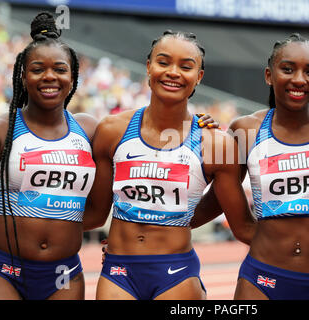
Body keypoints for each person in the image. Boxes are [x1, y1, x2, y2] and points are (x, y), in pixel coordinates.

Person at [82, 30, 256, 300]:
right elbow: (95, 213)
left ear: (198, 76)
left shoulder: (216, 144)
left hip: (176, 275)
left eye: (186, 67)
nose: (173, 72)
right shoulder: (111, 131)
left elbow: (243, 227)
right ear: (149, 66)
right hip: (119, 272)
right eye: (163, 62)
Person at [193, 33, 309, 300]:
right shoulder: (245, 129)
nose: (298, 79)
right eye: (287, 69)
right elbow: (218, 198)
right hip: (260, 279)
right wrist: (158, 227)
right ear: (269, 76)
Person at [0, 12, 99, 300]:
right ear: (22, 77)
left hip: (63, 273)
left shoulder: (89, 129)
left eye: (60, 69)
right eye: (37, 69)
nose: (49, 76)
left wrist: (197, 124)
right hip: (2, 269)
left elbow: (99, 213)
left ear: (73, 77)